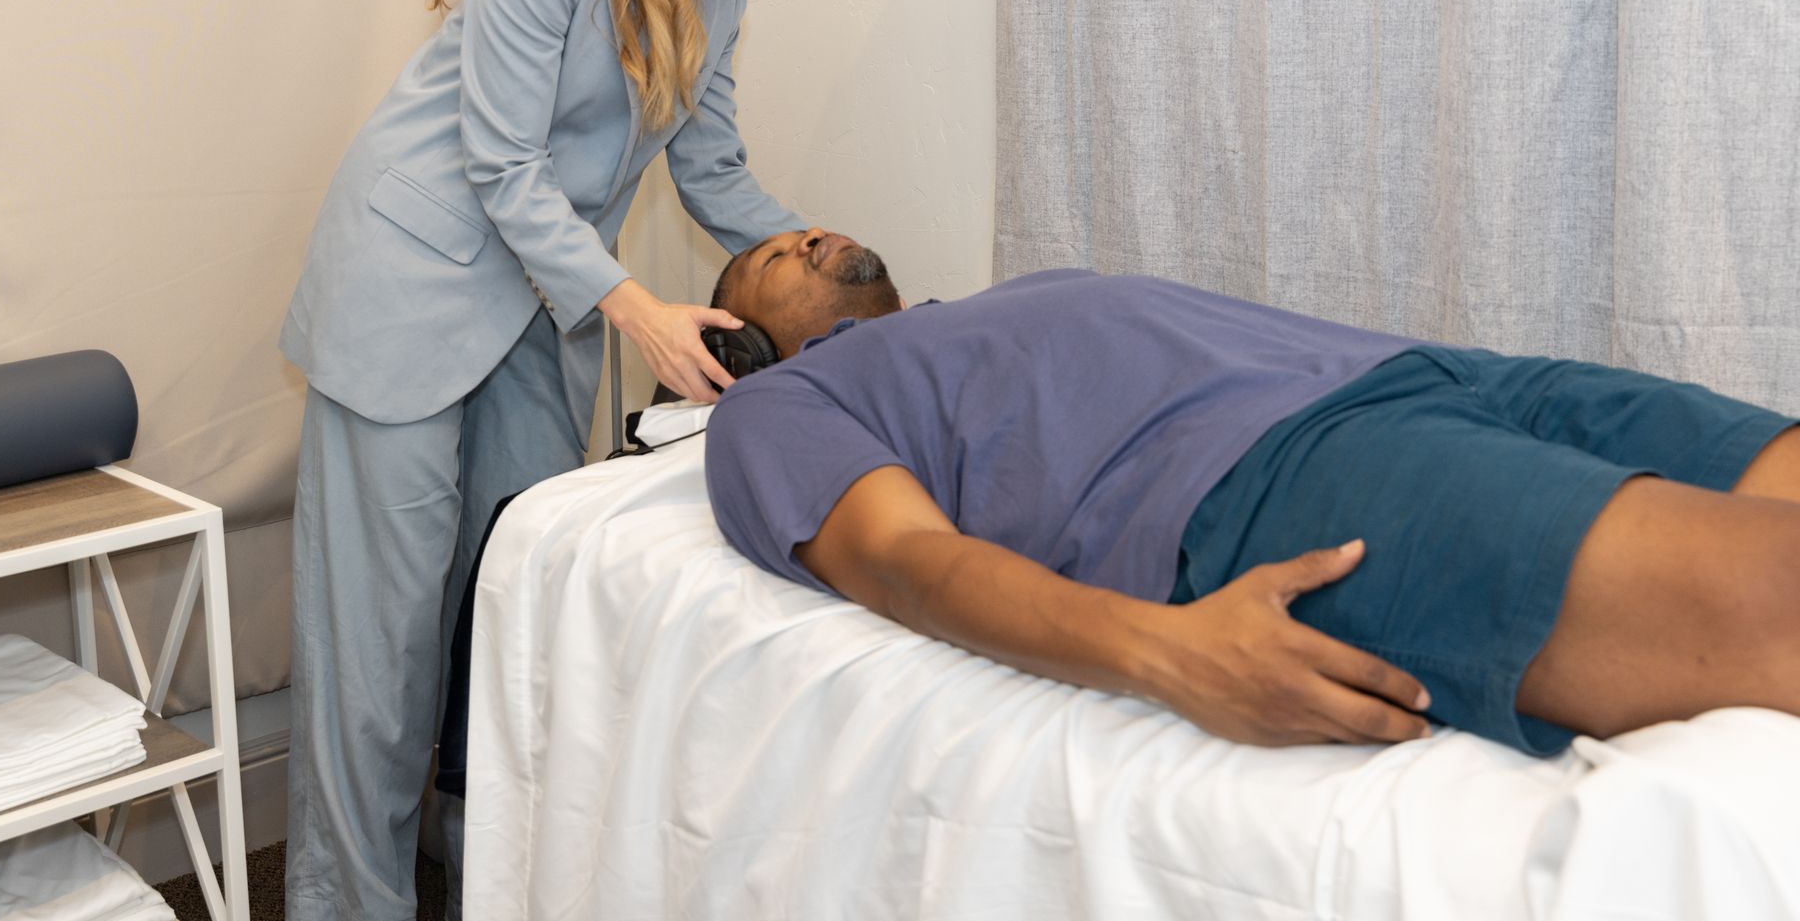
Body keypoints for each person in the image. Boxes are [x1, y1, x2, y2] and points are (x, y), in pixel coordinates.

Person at [279, 0, 813, 920]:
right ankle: (341, 905)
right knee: (383, 647)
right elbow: (505, 164)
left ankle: (488, 885)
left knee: (516, 610)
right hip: (409, 288)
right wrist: (641, 316)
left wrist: (837, 285)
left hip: (542, 302)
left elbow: (715, 173)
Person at [702, 228, 1800, 756]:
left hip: (1446, 371)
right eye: (770, 256)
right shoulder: (778, 407)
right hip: (1283, 478)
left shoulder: (987, 302)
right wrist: (1163, 655)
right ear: (742, 339)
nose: (807, 231)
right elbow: (908, 563)